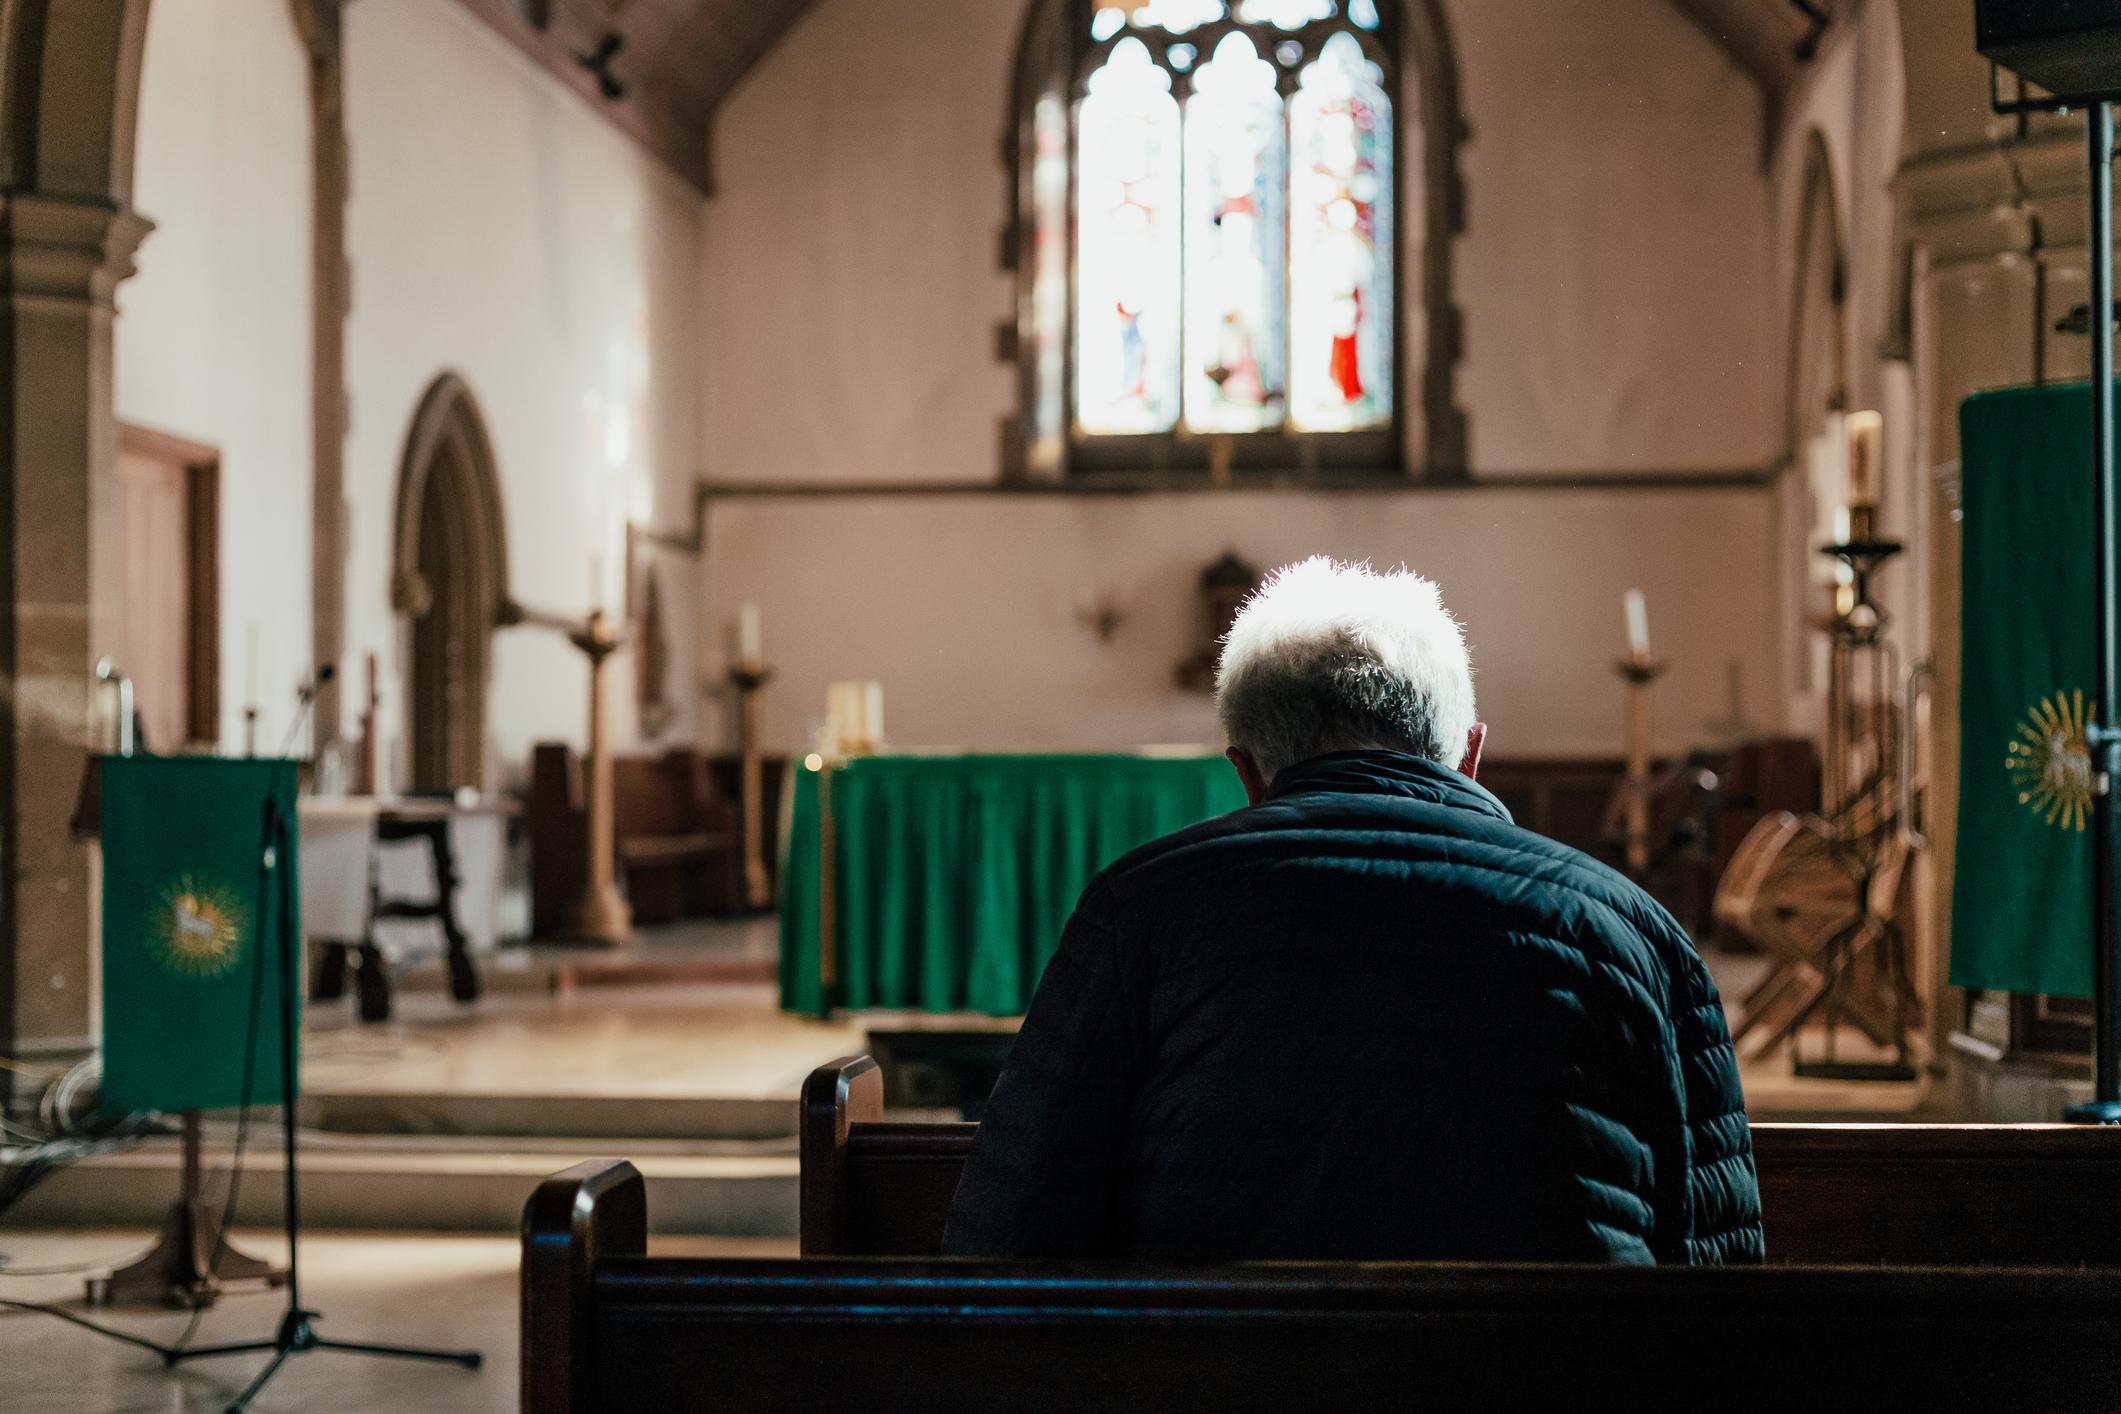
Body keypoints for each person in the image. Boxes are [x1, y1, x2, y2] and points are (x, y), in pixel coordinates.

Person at [944, 557, 1760, 1264]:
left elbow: (1011, 1223)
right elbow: (1716, 1258)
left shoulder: (1138, 908)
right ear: (1471, 754)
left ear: (1246, 774)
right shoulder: (1630, 928)